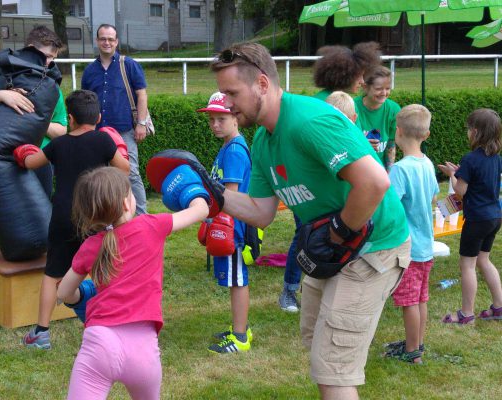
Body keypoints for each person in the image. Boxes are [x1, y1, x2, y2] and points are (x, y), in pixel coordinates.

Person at [211, 42, 410, 400]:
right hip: (335, 249)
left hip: (374, 247)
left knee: (333, 368)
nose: (225, 103)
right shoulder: (262, 140)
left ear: (261, 83)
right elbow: (261, 212)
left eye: (231, 93)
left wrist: (339, 234)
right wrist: (210, 191)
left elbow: (375, 182)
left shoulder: (308, 121)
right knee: (318, 344)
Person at [57, 166, 209, 399]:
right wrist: (193, 190)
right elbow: (201, 210)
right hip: (143, 350)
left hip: (100, 343)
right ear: (128, 203)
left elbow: (64, 292)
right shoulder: (151, 225)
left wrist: (83, 295)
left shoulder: (90, 247)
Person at [16, 90, 130, 349]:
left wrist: (22, 153)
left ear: (70, 118)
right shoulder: (103, 141)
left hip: (64, 216)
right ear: (99, 117)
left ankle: (41, 333)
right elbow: (124, 169)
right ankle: (112, 324)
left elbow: (31, 162)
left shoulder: (59, 144)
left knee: (52, 274)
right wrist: (116, 149)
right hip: (96, 215)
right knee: (105, 269)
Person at [278, 43, 383, 313]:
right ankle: (290, 291)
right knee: (303, 238)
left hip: (324, 189)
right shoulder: (328, 104)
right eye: (359, 75)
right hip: (317, 189)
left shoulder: (338, 100)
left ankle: (305, 288)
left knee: (308, 237)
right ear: (344, 73)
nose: (362, 81)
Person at [0, 25, 68, 250]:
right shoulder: (0, 68)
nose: (51, 63)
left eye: (54, 58)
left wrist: (37, 120)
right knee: (3, 215)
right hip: (3, 161)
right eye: (49, 57)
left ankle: (42, 272)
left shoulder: (49, 84)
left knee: (41, 216)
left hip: (37, 158)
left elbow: (62, 130)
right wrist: (3, 95)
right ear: (32, 49)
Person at [196, 92, 253, 353]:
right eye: (211, 120)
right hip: (229, 224)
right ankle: (237, 328)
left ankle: (240, 337)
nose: (215, 124)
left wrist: (215, 223)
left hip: (234, 229)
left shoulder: (235, 151)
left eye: (221, 118)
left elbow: (229, 194)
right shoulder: (229, 147)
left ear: (236, 119)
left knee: (237, 279)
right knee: (234, 279)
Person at [382, 104, 438, 364]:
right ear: (426, 135)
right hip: (426, 246)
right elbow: (435, 196)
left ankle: (412, 351)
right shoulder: (426, 163)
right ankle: (417, 343)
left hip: (409, 249)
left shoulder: (401, 170)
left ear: (398, 131)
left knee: (409, 302)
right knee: (421, 298)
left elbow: (391, 206)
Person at [438, 108, 502, 324]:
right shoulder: (496, 158)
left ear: (475, 132)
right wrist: (461, 173)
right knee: (484, 260)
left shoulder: (470, 158)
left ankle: (466, 314)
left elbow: (461, 192)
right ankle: (499, 307)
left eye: (468, 129)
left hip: (476, 221)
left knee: (467, 265)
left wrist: (453, 175)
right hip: (494, 217)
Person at [82, 23, 149, 215]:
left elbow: (142, 95)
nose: (107, 42)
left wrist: (141, 124)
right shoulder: (89, 71)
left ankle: (141, 217)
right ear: (97, 41)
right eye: (103, 38)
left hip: (125, 131)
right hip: (97, 132)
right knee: (100, 175)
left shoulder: (129, 65)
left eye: (111, 39)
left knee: (132, 174)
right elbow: (86, 101)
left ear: (117, 41)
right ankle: (108, 215)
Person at [354, 66, 401, 172]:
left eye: (388, 88)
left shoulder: (393, 109)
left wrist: (389, 172)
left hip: (379, 170)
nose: (384, 93)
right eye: (379, 89)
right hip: (356, 169)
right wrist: (363, 144)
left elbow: (390, 144)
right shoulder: (353, 107)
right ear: (365, 87)